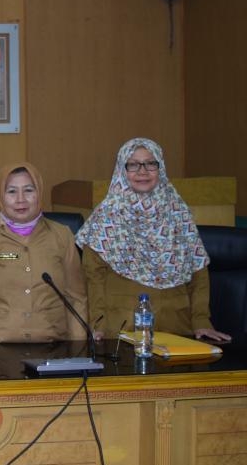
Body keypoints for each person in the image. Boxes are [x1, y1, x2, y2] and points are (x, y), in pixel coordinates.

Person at [76, 137, 231, 342]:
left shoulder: (178, 212)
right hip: (122, 331)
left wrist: (201, 321)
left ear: (161, 167)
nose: (143, 171)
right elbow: (93, 279)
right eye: (133, 165)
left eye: (150, 163)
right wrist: (97, 325)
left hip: (177, 328)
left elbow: (198, 272)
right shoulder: (106, 217)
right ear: (121, 169)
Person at [0, 163, 88, 344]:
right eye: (12, 191)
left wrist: (79, 349)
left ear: (39, 192)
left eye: (29, 190)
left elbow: (75, 298)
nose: (21, 199)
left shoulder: (62, 236)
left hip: (50, 347)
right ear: (0, 196)